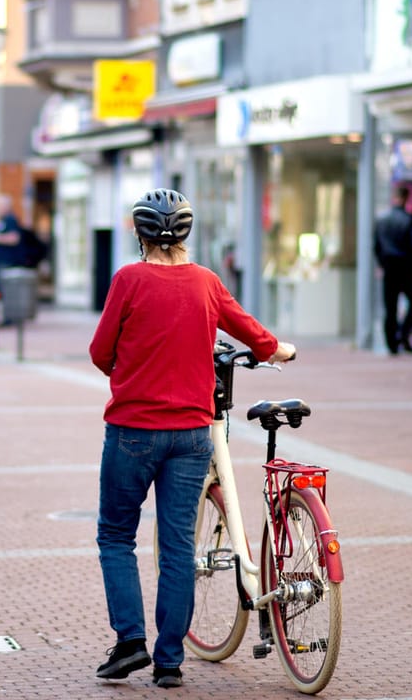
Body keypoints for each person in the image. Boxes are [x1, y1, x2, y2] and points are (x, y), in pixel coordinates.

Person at [88, 189, 295, 690]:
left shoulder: (129, 280)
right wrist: (279, 350)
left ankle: (130, 641)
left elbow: (100, 352)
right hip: (191, 433)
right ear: (186, 233)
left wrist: (129, 372)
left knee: (116, 536)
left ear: (139, 235)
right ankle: (170, 661)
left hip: (133, 431)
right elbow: (250, 331)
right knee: (179, 545)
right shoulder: (205, 282)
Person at [374, 183, 412, 355]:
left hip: (389, 268)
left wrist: (382, 263)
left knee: (390, 307)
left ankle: (392, 343)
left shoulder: (382, 220)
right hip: (406, 269)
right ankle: (403, 334)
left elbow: (376, 246)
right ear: (405, 199)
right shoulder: (410, 219)